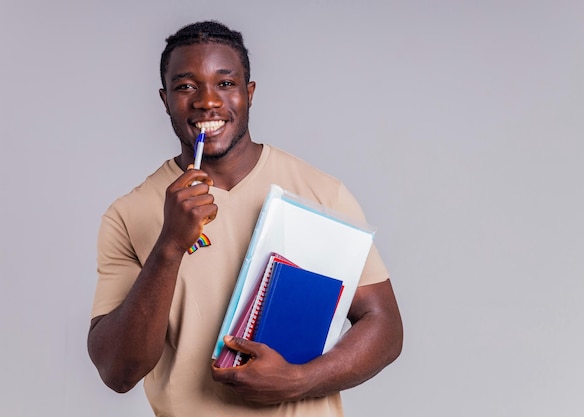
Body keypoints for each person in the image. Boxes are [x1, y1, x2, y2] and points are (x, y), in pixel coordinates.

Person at [87, 20, 403, 416]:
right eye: (186, 86)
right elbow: (118, 371)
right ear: (165, 99)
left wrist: (301, 380)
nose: (207, 102)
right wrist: (169, 246)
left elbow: (384, 325)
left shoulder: (322, 193)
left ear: (248, 93)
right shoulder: (128, 215)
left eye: (225, 83)